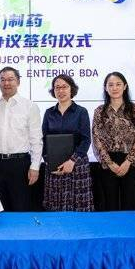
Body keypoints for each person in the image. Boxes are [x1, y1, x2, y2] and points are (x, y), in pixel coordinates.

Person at [0, 67, 42, 211]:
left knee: (20, 209)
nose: (6, 83)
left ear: (18, 82)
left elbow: (36, 139)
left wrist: (35, 167)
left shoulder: (30, 106)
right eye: (2, 80)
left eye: (10, 79)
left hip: (20, 165)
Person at [92, 72, 135, 211]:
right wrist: (110, 163)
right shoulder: (99, 111)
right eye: (110, 85)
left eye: (118, 84)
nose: (114, 88)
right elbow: (96, 139)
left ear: (125, 86)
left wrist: (128, 162)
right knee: (110, 205)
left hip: (130, 162)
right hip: (108, 163)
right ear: (105, 88)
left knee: (130, 204)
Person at [41, 74, 93, 212]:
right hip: (54, 168)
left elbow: (86, 140)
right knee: (55, 210)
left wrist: (72, 161)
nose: (61, 90)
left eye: (64, 87)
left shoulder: (81, 112)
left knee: (78, 210)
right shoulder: (49, 113)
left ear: (71, 89)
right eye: (57, 87)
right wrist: (49, 161)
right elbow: (43, 140)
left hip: (77, 166)